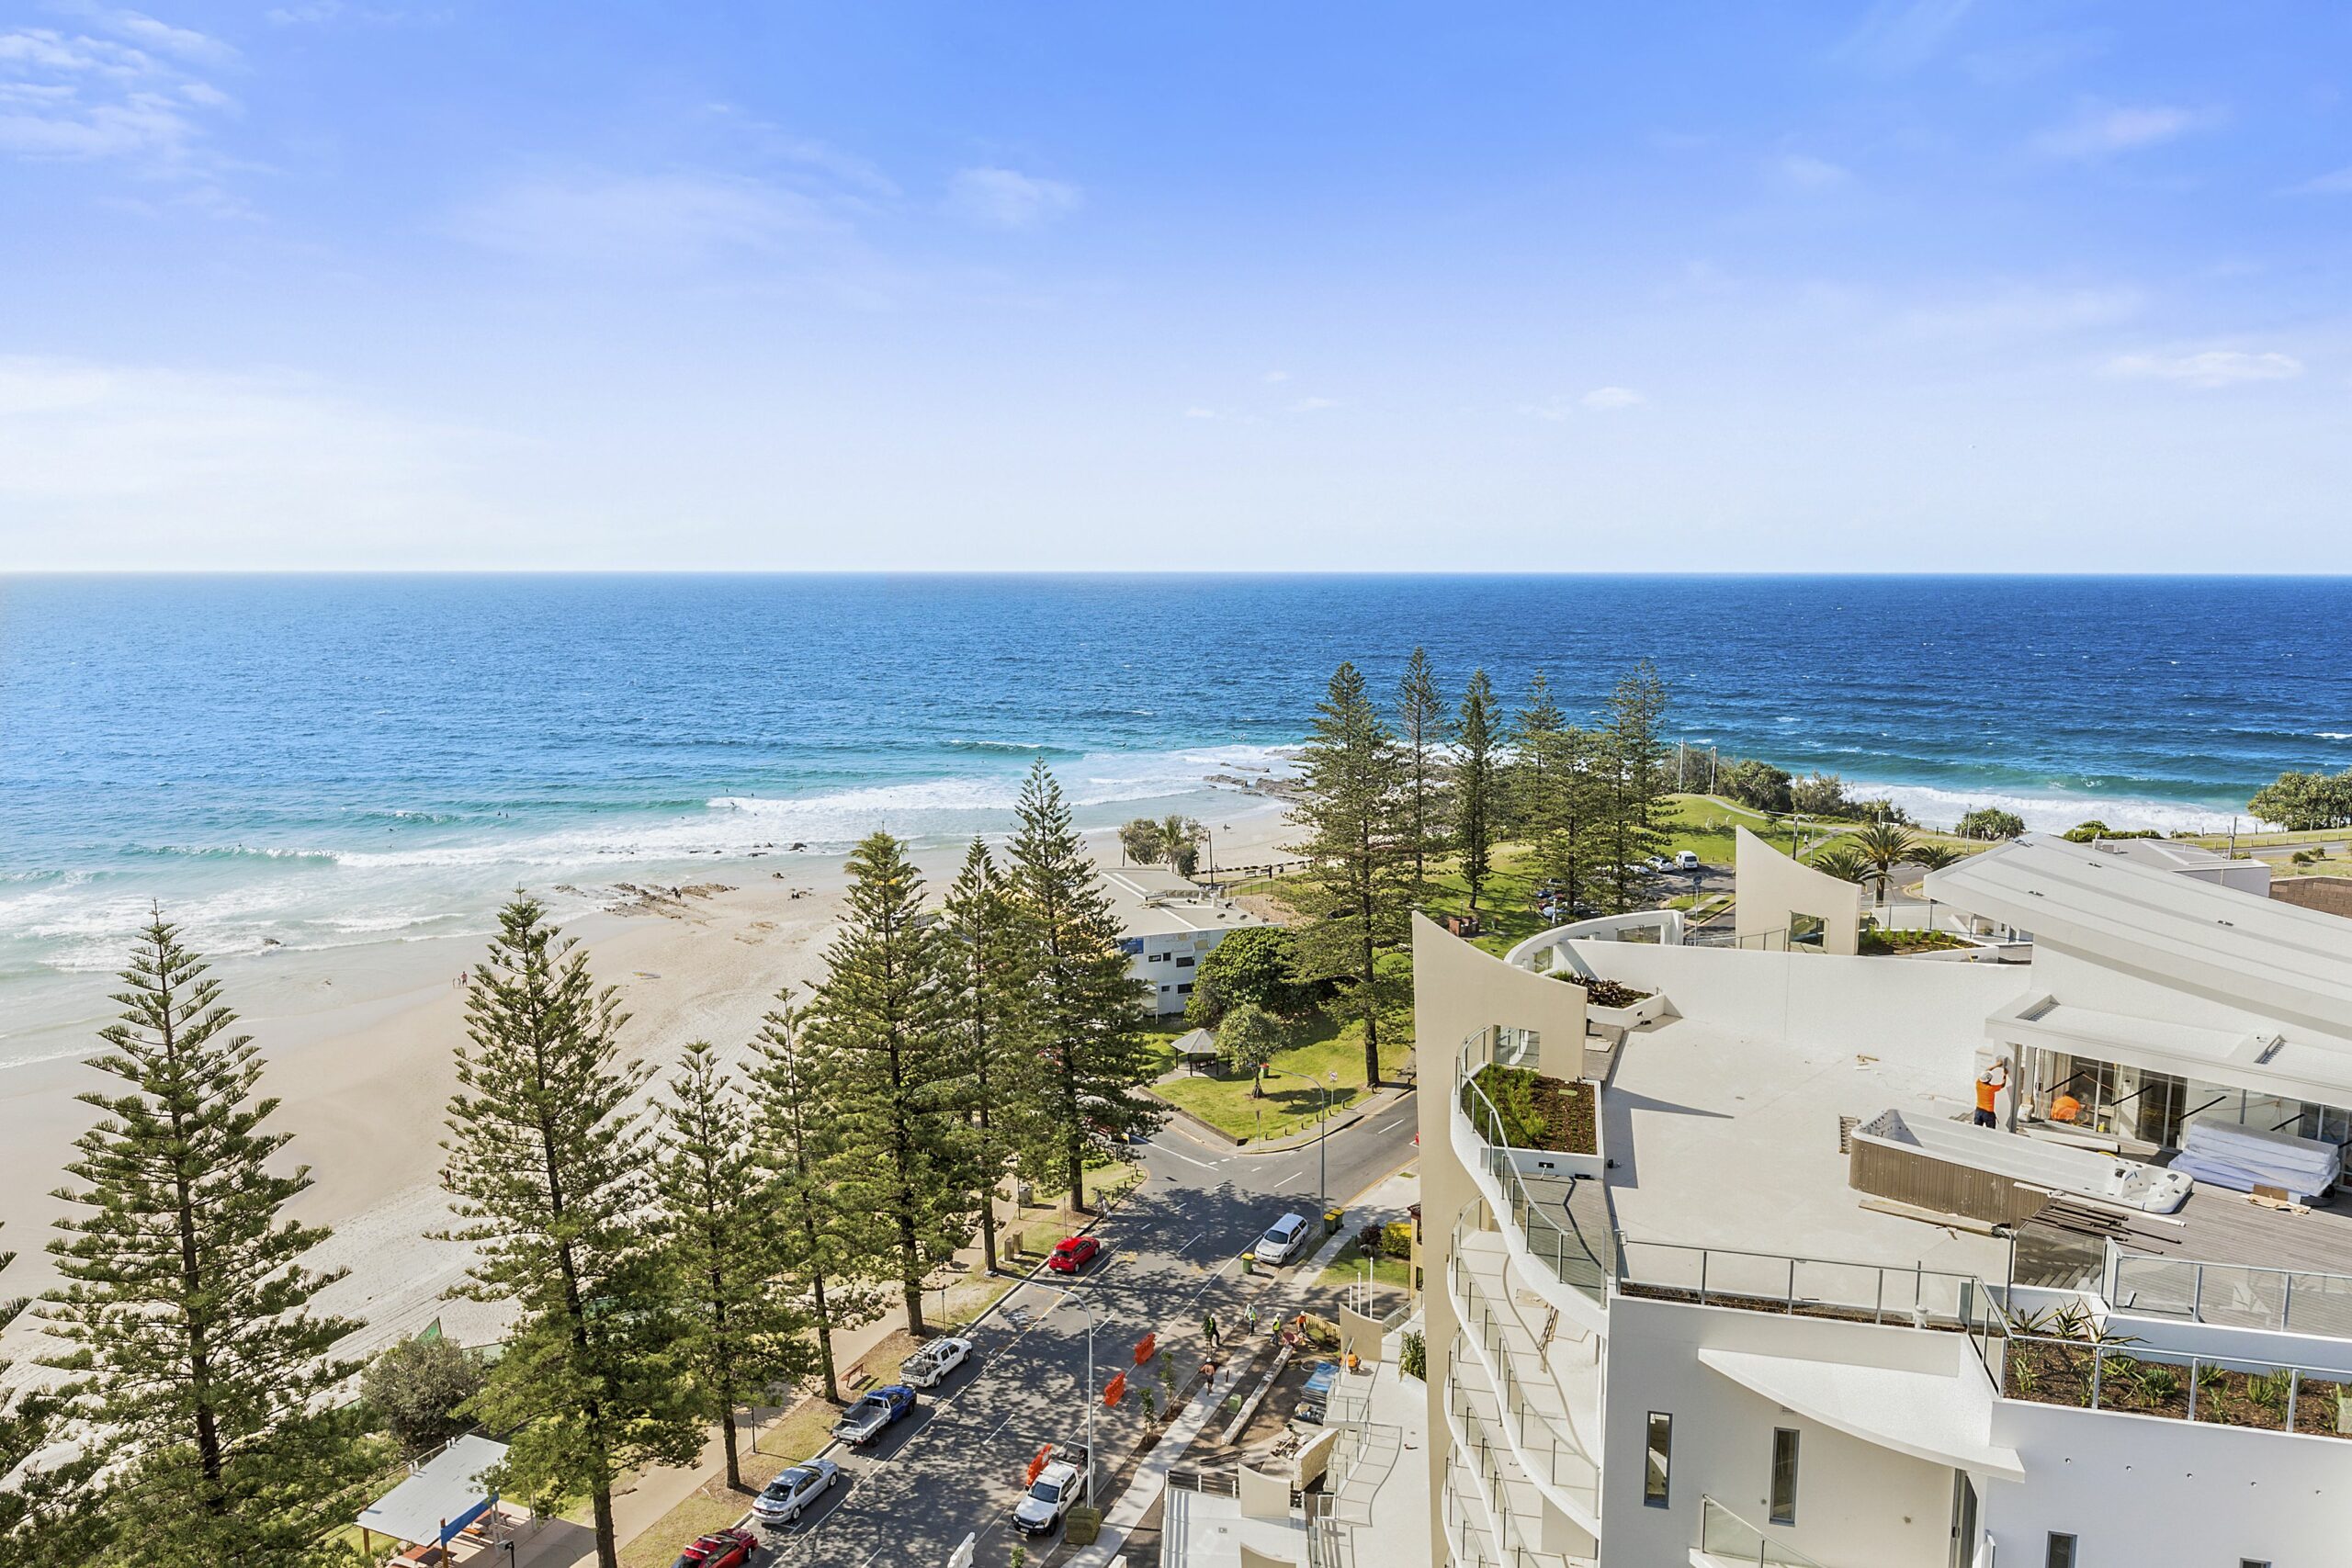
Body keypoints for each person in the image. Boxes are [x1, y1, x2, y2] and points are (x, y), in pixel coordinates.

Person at [1973, 1061, 2008, 1128]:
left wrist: (1996, 1065)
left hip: (1978, 1110)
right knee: (1991, 1132)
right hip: (1988, 1113)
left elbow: (1986, 1071)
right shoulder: (1991, 1088)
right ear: (1989, 1080)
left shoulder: (1978, 1083)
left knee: (1977, 1130)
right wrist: (2005, 1075)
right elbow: (2003, 1085)